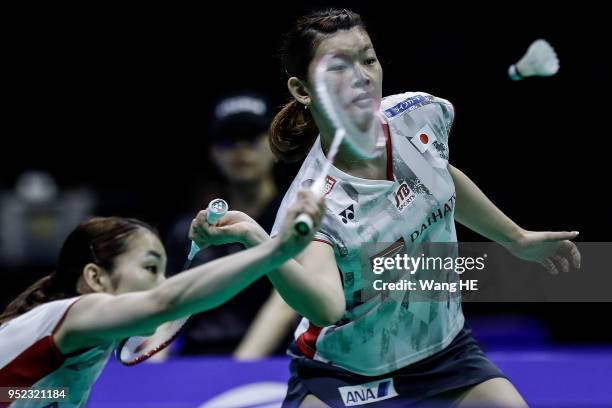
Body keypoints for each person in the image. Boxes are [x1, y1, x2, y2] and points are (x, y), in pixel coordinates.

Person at [261, 8, 580, 407]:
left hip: (444, 352)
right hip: (344, 371)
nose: (362, 77)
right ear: (302, 89)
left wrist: (516, 239)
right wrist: (258, 243)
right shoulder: (313, 203)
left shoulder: (418, 115)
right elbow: (326, 307)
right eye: (339, 67)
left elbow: (438, 178)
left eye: (368, 59)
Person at [0, 190, 323, 407]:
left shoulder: (77, 348)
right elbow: (165, 302)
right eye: (150, 268)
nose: (161, 283)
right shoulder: (76, 313)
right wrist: (278, 249)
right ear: (96, 278)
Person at [165, 93, 298, 358]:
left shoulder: (294, 217)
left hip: (268, 367)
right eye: (228, 140)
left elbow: (284, 304)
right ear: (214, 153)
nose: (241, 149)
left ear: (274, 145)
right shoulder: (190, 228)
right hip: (195, 362)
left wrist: (236, 371)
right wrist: (150, 369)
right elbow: (168, 304)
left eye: (251, 136)